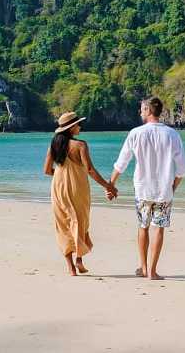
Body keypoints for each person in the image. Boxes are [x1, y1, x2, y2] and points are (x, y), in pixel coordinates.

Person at [109, 96, 185, 280]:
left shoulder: (136, 133)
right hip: (164, 191)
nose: (140, 112)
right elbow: (183, 169)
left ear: (148, 110)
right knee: (159, 229)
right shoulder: (172, 135)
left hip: (143, 190)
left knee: (143, 227)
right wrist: (172, 187)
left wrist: (111, 184)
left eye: (142, 109)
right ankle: (152, 271)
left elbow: (122, 163)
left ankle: (143, 268)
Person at [43, 111, 118, 276]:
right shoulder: (81, 145)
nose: (80, 127)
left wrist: (61, 174)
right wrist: (108, 186)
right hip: (78, 187)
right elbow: (90, 170)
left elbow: (47, 170)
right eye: (78, 124)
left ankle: (70, 268)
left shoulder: (53, 145)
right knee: (80, 221)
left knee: (63, 224)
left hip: (58, 187)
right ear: (71, 128)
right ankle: (79, 259)